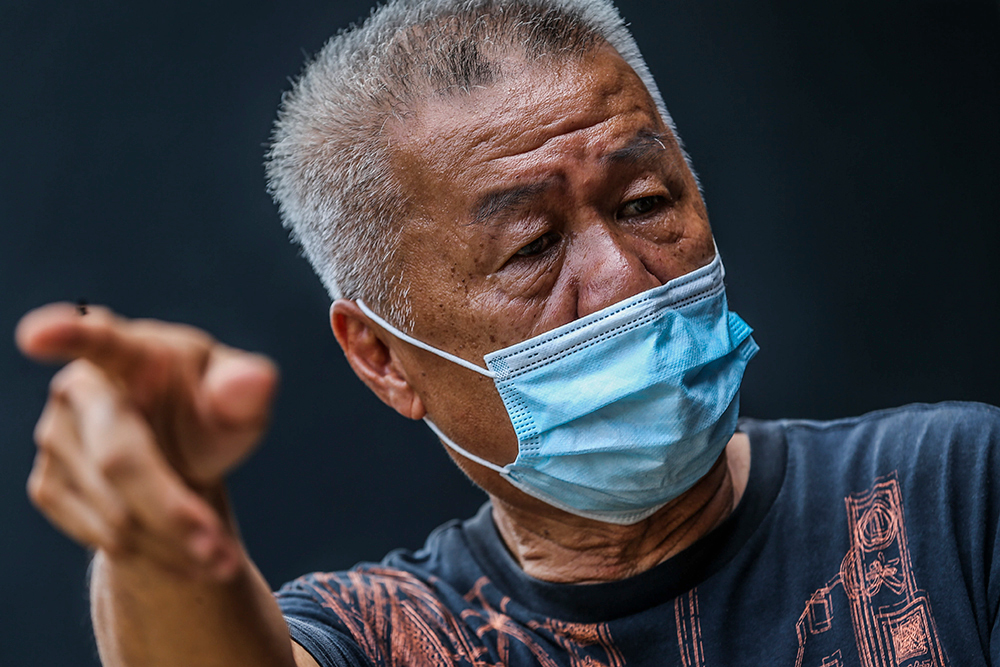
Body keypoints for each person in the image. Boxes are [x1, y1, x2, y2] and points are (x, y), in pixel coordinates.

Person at [15, 1, 1000, 665]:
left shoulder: (956, 499)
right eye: (531, 247)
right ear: (384, 357)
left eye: (647, 198)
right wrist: (161, 528)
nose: (621, 277)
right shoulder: (384, 636)